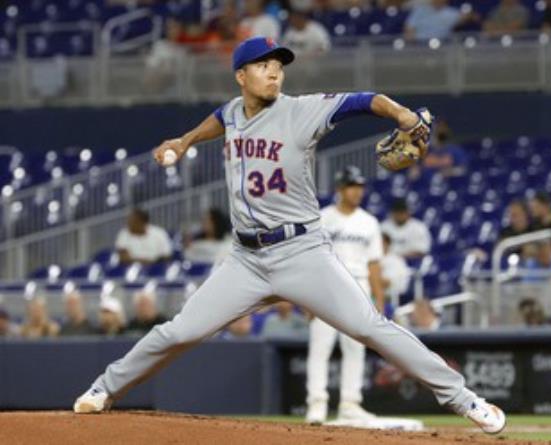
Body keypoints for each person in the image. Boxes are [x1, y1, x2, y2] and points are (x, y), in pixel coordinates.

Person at [73, 36, 505, 435]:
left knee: (370, 327)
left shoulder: (301, 111)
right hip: (245, 260)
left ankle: (464, 398)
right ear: (241, 76)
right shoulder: (233, 112)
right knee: (178, 332)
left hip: (302, 252)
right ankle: (104, 389)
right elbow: (221, 118)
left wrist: (401, 114)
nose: (275, 72)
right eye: (263, 66)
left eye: (279, 66)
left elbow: (362, 101)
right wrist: (186, 141)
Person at [305, 166, 385, 424]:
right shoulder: (322, 218)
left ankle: (350, 404)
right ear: (340, 188)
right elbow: (311, 258)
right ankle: (316, 404)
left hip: (359, 285)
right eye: (352, 186)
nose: (357, 191)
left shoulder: (369, 222)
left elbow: (374, 264)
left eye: (360, 186)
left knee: (355, 347)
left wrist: (379, 301)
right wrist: (307, 295)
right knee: (321, 347)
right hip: (327, 285)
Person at [404, 0, 479, 42]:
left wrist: (472, 15)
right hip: (419, 45)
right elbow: (409, 28)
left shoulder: (451, 13)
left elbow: (470, 16)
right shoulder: (420, 10)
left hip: (442, 45)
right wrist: (412, 42)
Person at [380, 232, 411, 307]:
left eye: (380, 242)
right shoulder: (368, 259)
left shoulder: (396, 260)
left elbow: (387, 282)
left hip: (392, 299)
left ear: (387, 244)